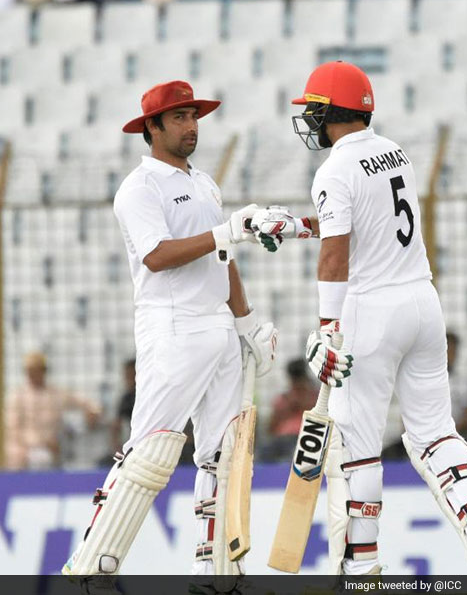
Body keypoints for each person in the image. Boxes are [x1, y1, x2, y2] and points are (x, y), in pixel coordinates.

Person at [251, 61, 467, 576]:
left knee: (357, 448)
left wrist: (328, 330)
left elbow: (337, 255)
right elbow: (361, 224)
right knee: (435, 434)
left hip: (369, 311)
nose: (309, 118)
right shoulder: (395, 153)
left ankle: (363, 569)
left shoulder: (333, 169)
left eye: (313, 109)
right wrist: (293, 225)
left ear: (330, 110)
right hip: (422, 302)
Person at [62, 80, 279, 584]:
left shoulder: (204, 183)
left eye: (194, 116)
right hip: (173, 327)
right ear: (152, 127)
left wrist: (247, 322)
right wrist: (227, 232)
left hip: (220, 330)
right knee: (152, 451)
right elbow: (157, 256)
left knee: (223, 457)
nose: (191, 126)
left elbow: (221, 257)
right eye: (179, 117)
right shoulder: (140, 188)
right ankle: (92, 567)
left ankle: (219, 573)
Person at [4, 351, 101, 470]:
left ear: (44, 371)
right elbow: (13, 430)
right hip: (25, 453)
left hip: (52, 452)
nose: (33, 374)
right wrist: (37, 444)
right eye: (30, 370)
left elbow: (88, 404)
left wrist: (92, 412)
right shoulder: (18, 396)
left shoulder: (56, 394)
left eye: (36, 370)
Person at [261, 358, 318, 461]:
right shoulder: (284, 399)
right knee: (265, 450)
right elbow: (271, 427)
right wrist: (287, 409)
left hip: (307, 437)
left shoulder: (315, 397)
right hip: (283, 439)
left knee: (294, 454)